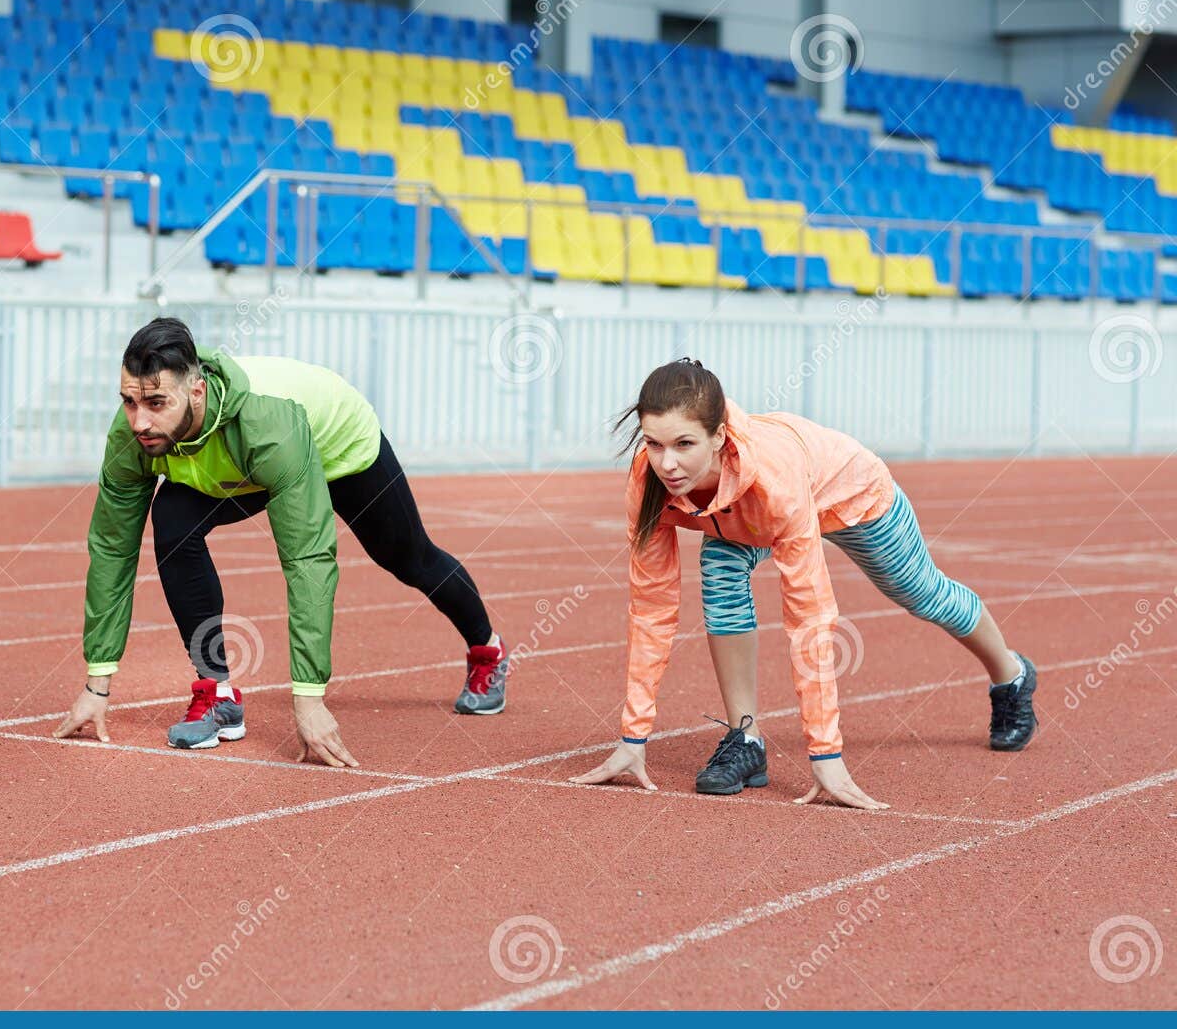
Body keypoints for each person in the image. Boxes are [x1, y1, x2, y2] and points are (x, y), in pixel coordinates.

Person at [571, 358, 1036, 808]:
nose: (667, 463)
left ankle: (1011, 675)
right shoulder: (647, 481)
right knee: (721, 566)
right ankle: (745, 738)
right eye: (654, 444)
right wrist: (633, 737)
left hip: (850, 494)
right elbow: (651, 608)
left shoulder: (773, 481)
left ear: (718, 436)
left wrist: (826, 754)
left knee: (920, 592)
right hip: (744, 517)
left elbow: (809, 617)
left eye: (684, 445)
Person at [53, 317, 508, 766]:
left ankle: (487, 649)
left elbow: (307, 557)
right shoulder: (134, 433)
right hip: (241, 465)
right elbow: (113, 547)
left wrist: (309, 699)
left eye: (155, 402)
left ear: (197, 391)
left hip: (336, 447)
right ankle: (218, 693)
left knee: (409, 558)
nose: (140, 420)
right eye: (130, 402)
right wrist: (98, 683)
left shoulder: (267, 423)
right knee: (172, 523)